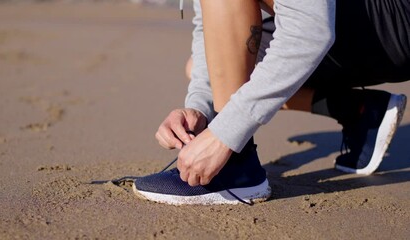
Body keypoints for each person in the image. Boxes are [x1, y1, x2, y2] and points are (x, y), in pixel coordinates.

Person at [132, 0, 410, 205]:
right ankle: (356, 110)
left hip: (398, 19)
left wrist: (225, 135)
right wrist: (200, 109)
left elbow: (310, 31)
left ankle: (236, 168)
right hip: (360, 28)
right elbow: (212, 25)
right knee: (202, 65)